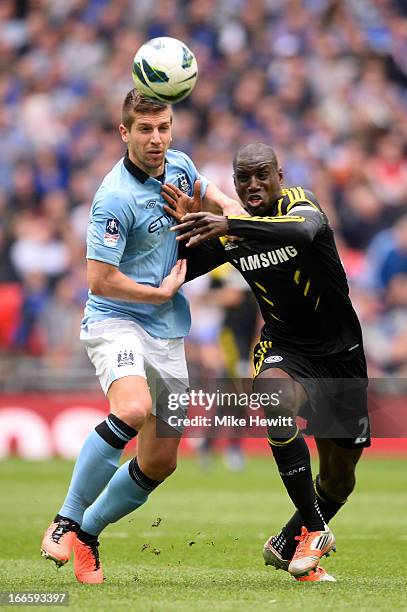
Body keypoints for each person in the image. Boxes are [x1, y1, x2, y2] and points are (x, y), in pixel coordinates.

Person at [40, 89, 241, 584]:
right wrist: (157, 293)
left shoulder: (179, 165)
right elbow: (98, 279)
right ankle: (66, 517)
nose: (157, 139)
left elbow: (219, 199)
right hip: (117, 318)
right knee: (130, 408)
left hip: (166, 330)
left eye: (164, 128)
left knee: (160, 460)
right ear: (124, 132)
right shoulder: (114, 197)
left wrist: (242, 217)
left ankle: (87, 533)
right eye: (146, 130)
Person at [164, 142, 370, 582]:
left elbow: (301, 232)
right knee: (274, 398)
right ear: (235, 183)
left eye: (261, 175)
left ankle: (286, 542)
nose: (253, 184)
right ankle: (316, 530)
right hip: (286, 349)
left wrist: (230, 221)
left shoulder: (299, 203)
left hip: (341, 356)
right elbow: (178, 265)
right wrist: (175, 227)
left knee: (339, 481)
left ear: (279, 173)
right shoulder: (231, 231)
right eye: (243, 178)